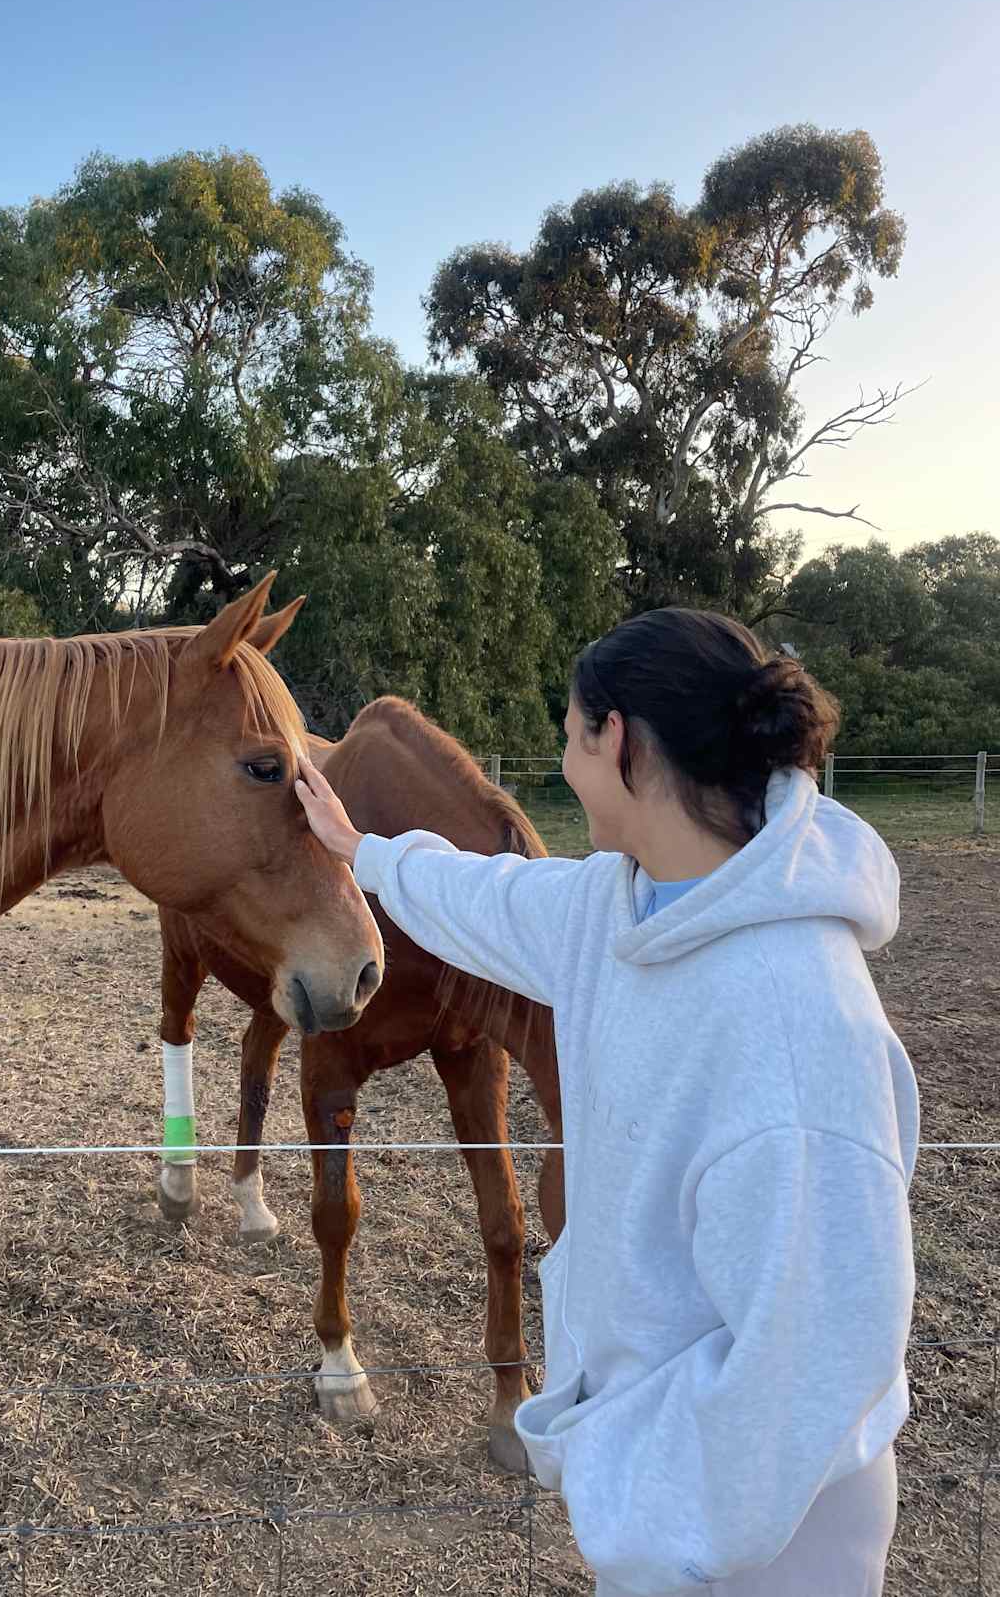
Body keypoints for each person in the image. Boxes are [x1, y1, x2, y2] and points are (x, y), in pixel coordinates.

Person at [294, 608, 918, 1597]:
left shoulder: (798, 1023)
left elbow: (816, 1357)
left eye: (569, 727)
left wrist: (644, 1518)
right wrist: (360, 850)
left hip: (769, 1522)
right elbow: (482, 895)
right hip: (659, 1476)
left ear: (613, 739)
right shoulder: (618, 907)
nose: (561, 753)